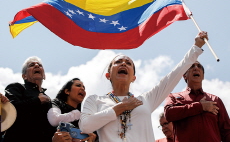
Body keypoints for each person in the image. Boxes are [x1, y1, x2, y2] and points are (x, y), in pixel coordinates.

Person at [79, 31, 208, 142]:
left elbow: (172, 77)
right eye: (118, 62)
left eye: (128, 63)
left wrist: (196, 47)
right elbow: (85, 126)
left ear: (133, 78)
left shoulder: (145, 100)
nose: (123, 64)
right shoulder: (94, 100)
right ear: (108, 75)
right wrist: (121, 107)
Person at [164, 61, 230, 142]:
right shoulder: (173, 97)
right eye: (192, 66)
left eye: (199, 66)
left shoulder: (215, 100)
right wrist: (200, 106)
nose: (196, 68)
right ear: (184, 75)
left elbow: (227, 132)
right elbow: (168, 114)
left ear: (203, 76)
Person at [4, 56, 54, 142]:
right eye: (31, 65)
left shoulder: (49, 100)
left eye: (40, 65)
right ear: (24, 76)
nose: (37, 66)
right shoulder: (16, 87)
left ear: (44, 76)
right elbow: (11, 110)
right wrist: (37, 101)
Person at [47, 78, 97, 142]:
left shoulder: (83, 118)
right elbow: (54, 119)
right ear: (67, 91)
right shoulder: (56, 103)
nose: (82, 89)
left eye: (84, 88)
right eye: (78, 85)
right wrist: (76, 114)